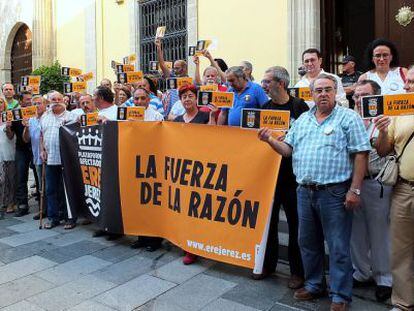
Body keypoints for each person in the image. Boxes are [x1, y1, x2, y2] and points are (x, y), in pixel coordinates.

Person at [258, 74, 370, 311]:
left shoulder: (348, 118)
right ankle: (314, 284)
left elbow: (361, 154)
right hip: (304, 191)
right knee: (307, 242)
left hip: (335, 193)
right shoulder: (302, 120)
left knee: (338, 246)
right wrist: (269, 140)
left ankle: (340, 295)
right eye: (318, 90)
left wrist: (355, 190)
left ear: (335, 91)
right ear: (311, 94)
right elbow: (287, 150)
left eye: (328, 89)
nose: (323, 94)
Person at [253, 66, 307, 290]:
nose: (263, 85)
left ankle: (297, 272)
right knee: (269, 223)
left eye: (267, 82)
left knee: (296, 225)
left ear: (281, 84)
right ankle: (268, 265)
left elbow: (305, 136)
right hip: (270, 177)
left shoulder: (299, 106)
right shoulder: (264, 108)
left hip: (293, 177)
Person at [373, 65, 414, 311]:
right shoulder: (400, 110)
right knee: (401, 249)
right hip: (404, 189)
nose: (406, 85)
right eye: (407, 80)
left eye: (411, 82)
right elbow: (384, 150)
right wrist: (382, 131)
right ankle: (402, 302)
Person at [350, 80, 392, 302]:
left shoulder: (384, 119)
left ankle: (384, 278)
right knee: (356, 232)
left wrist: (383, 131)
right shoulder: (349, 118)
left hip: (377, 183)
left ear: (376, 97)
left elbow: (386, 149)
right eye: (356, 96)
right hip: (352, 184)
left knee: (379, 233)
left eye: (364, 96)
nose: (359, 100)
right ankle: (361, 272)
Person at [173, 84, 216, 264]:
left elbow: (214, 138)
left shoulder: (205, 116)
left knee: (199, 209)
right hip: (183, 171)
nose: (187, 99)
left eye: (191, 95)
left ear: (196, 98)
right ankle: (188, 247)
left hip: (202, 169)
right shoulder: (175, 120)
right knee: (185, 210)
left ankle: (203, 244)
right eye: (184, 97)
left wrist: (213, 117)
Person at [129, 87, 163, 251]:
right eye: (136, 99)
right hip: (134, 161)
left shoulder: (156, 115)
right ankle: (141, 237)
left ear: (149, 99)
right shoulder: (128, 114)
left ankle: (155, 240)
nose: (139, 102)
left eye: (143, 98)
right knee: (137, 201)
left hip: (152, 163)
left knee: (152, 202)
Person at [40, 91, 76, 229]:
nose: (56, 101)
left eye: (59, 98)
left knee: (67, 190)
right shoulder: (45, 116)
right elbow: (42, 135)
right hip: (50, 159)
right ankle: (53, 218)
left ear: (64, 100)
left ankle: (69, 218)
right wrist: (42, 150)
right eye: (53, 99)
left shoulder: (72, 116)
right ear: (49, 101)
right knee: (50, 190)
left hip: (66, 160)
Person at [22, 95, 48, 220]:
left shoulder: (49, 117)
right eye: (35, 104)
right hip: (37, 156)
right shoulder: (30, 119)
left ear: (45, 104)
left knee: (51, 185)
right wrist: (26, 127)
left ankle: (55, 209)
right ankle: (43, 209)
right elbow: (26, 139)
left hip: (50, 156)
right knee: (41, 185)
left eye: (39, 103)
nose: (37, 106)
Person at [8, 91, 33, 216]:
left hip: (35, 149)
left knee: (39, 178)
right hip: (21, 149)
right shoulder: (14, 114)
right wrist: (8, 127)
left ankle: (42, 207)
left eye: (31, 99)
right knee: (21, 177)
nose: (30, 101)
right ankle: (22, 206)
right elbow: (11, 135)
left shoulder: (36, 112)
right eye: (27, 99)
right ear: (21, 101)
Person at [0, 96, 16, 219]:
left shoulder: (9, 116)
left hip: (8, 151)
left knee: (10, 178)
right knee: (1, 179)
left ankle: (11, 203)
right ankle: (2, 202)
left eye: (0, 102)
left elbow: (11, 136)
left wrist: (8, 127)